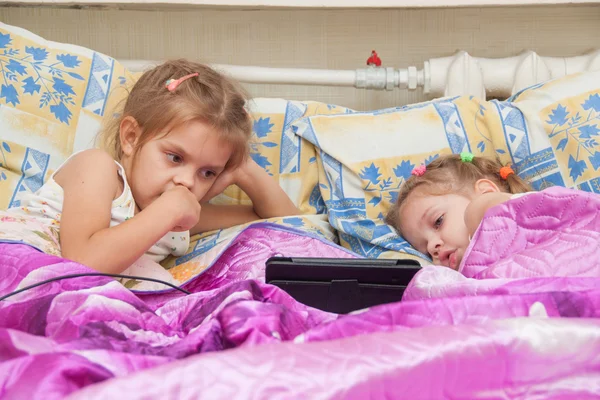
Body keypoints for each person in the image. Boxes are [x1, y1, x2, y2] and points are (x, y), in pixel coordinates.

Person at [3, 59, 299, 275]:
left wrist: (242, 168)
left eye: (207, 172)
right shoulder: (98, 169)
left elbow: (286, 224)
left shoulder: (179, 217)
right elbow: (82, 262)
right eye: (175, 157)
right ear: (131, 137)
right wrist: (168, 211)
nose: (186, 181)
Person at [385, 152, 531, 270]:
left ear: (486, 192)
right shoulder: (461, 280)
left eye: (438, 221)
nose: (432, 247)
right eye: (426, 253)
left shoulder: (533, 212)